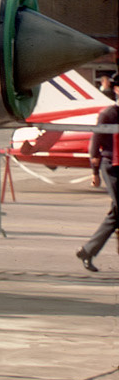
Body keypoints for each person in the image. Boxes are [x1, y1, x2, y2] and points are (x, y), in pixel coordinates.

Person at [75, 72, 117, 272]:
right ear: (116, 90)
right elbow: (95, 144)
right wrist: (94, 172)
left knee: (115, 214)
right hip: (112, 166)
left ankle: (87, 250)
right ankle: (88, 250)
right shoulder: (108, 113)